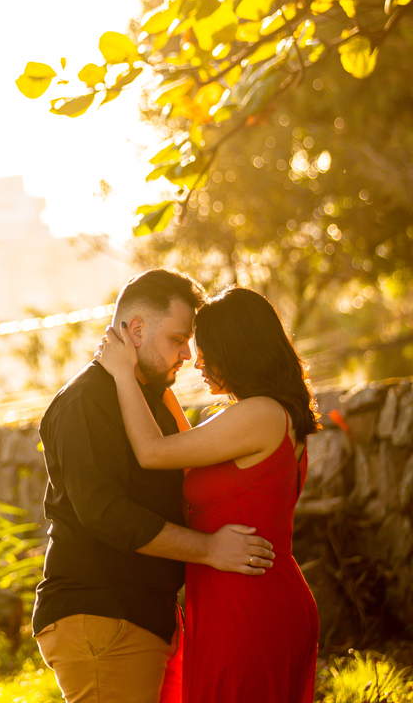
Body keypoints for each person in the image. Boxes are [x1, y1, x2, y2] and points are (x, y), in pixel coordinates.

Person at [33, 270, 276, 703]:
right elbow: (106, 513)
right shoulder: (85, 402)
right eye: (178, 340)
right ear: (137, 330)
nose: (188, 354)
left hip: (146, 617)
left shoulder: (150, 401)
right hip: (102, 616)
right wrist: (209, 549)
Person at [96, 286, 319, 703]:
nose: (196, 360)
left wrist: (124, 374)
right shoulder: (265, 415)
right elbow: (186, 450)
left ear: (237, 350)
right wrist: (154, 377)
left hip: (250, 607)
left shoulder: (261, 414)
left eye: (206, 349)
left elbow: (153, 451)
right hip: (234, 599)